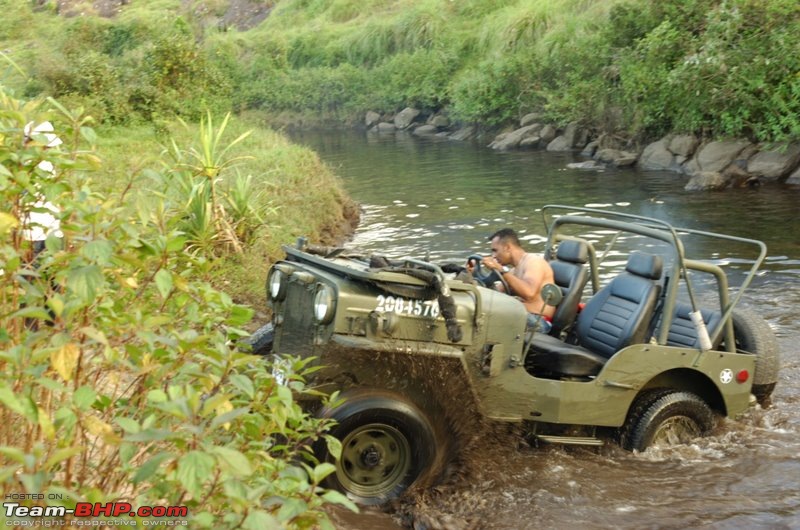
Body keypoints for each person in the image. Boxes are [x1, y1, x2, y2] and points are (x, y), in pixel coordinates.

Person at [468, 228, 555, 332]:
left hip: (538, 321)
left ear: (508, 247)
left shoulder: (534, 262)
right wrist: (473, 274)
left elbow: (529, 293)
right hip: (520, 315)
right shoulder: (514, 270)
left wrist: (501, 270)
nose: (493, 256)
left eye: (495, 250)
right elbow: (495, 295)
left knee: (487, 317)